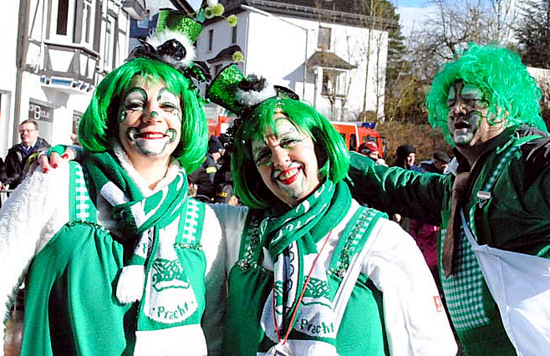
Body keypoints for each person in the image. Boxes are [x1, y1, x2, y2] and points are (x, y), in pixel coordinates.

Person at [0, 9, 226, 356]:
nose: (153, 116)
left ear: (186, 122)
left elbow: (213, 333)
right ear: (113, 117)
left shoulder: (204, 223)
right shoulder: (58, 180)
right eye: (136, 104)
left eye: (168, 106)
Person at [207, 64, 457, 355]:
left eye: (289, 141)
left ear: (319, 146)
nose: (280, 159)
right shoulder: (235, 230)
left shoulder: (383, 239)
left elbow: (429, 347)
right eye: (264, 153)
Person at [348, 43, 550, 355]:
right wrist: (321, 146)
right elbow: (391, 184)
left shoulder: (523, 162)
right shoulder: (457, 184)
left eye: (471, 101)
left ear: (506, 107)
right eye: (452, 103)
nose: (457, 110)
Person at [0, 119, 50, 189]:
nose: (25, 133)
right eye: (22, 131)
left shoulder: (46, 151)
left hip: (36, 192)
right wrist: (4, 181)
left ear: (37, 133)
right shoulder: (13, 151)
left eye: (28, 131)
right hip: (15, 193)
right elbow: (7, 171)